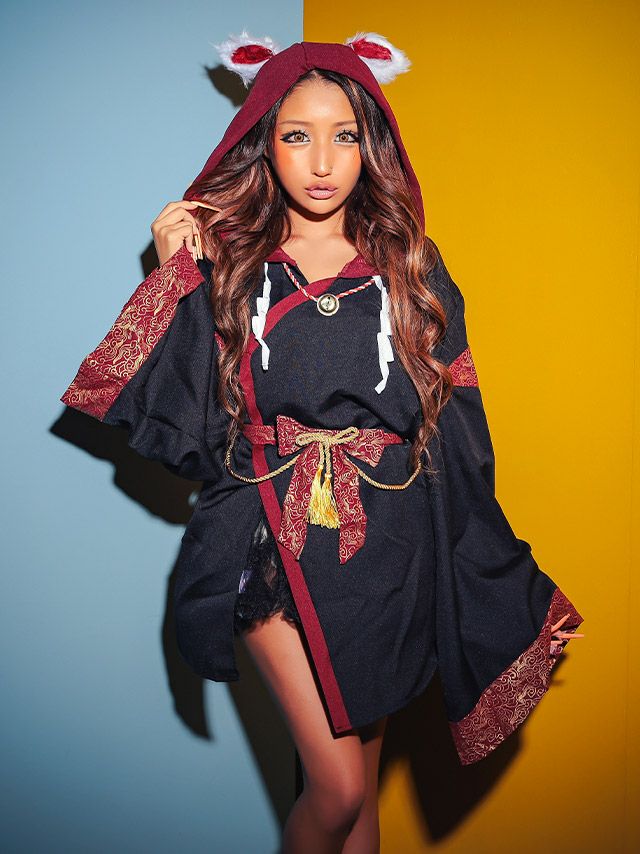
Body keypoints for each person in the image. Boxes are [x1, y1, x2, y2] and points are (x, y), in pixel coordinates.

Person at [60, 31, 585, 852]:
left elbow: (456, 432)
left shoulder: (409, 266)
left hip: (386, 547)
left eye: (343, 135)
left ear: (371, 144)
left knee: (361, 801)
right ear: (264, 142)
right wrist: (175, 277)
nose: (321, 161)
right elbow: (183, 424)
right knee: (336, 791)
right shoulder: (232, 263)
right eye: (296, 135)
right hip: (263, 531)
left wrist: (506, 585)